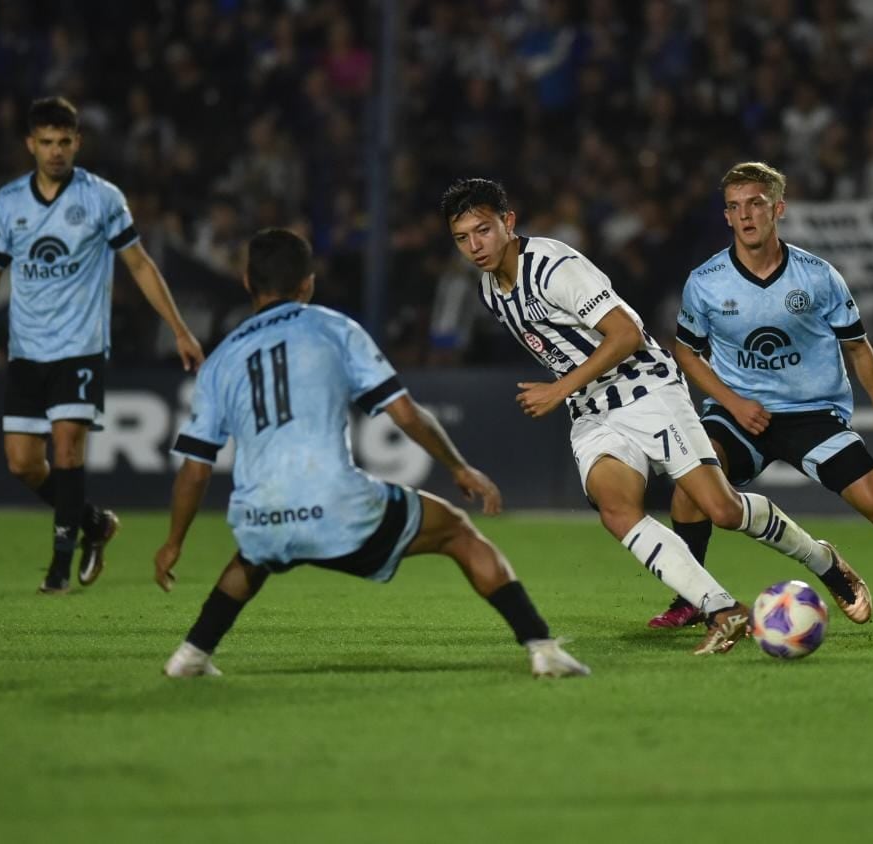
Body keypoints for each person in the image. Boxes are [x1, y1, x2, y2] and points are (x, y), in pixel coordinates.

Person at [441, 178, 870, 657]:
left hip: (646, 389)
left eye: (483, 230)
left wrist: (559, 388)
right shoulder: (489, 289)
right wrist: (571, 390)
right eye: (462, 238)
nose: (474, 246)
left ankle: (822, 558)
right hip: (592, 409)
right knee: (615, 508)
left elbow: (625, 333)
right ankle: (722, 611)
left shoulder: (554, 266)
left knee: (723, 511)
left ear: (508, 222)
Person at [154, 229, 589, 679]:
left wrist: (173, 543)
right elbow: (403, 413)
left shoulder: (221, 360)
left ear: (247, 282)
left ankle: (190, 655)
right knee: (458, 533)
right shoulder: (332, 328)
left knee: (254, 555)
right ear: (308, 283)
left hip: (261, 511)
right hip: (337, 504)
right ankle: (543, 648)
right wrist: (458, 467)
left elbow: (194, 471)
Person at [666, 161, 873, 630]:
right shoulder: (705, 281)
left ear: (778, 209)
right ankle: (688, 599)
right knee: (693, 485)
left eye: (756, 204)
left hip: (814, 416)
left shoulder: (817, 276)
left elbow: (860, 352)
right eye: (734, 207)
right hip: (739, 416)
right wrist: (732, 402)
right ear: (726, 216)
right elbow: (686, 353)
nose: (745, 216)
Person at [0, 97, 204, 594]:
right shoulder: (8, 201)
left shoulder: (102, 198)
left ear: (77, 142)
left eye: (64, 142)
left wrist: (180, 329)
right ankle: (94, 523)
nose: (56, 152)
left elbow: (140, 264)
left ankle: (58, 567)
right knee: (22, 463)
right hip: (27, 348)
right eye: (47, 143)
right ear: (30, 145)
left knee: (68, 450)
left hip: (80, 345)